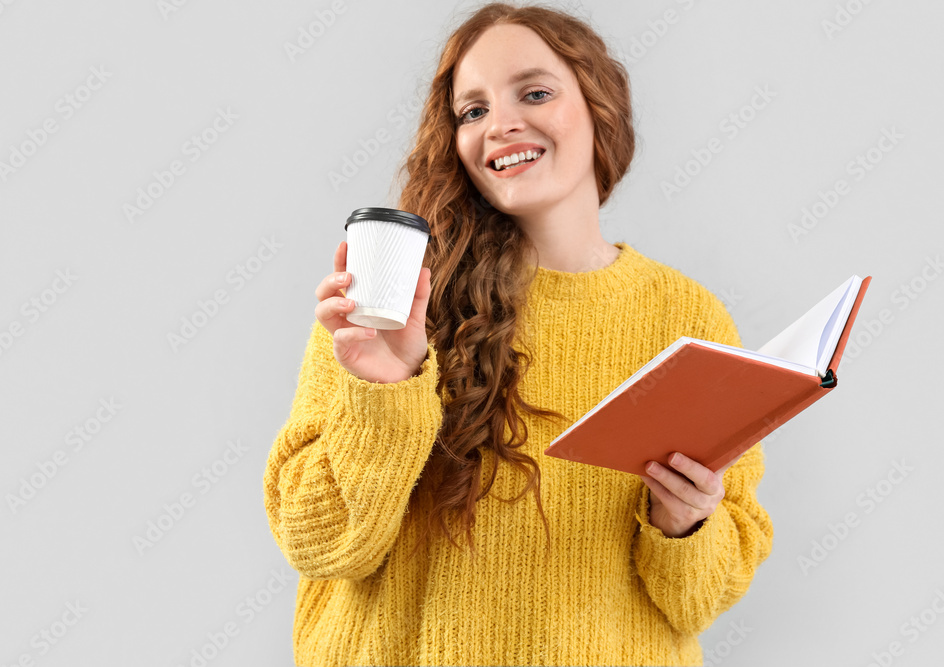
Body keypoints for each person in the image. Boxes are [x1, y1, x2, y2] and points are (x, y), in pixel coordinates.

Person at [262, 3, 773, 665]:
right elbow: (324, 545)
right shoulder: (394, 297)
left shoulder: (686, 317)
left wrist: (686, 522)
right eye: (471, 111)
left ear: (600, 108)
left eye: (534, 93)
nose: (499, 124)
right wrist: (385, 391)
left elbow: (699, 601)